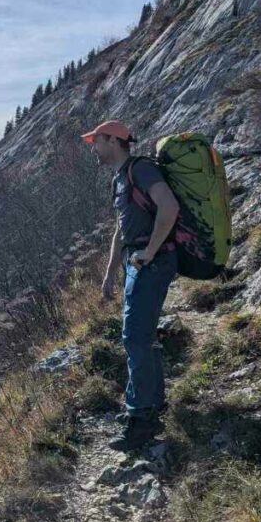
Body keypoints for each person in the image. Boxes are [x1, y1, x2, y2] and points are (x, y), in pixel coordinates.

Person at [81, 120, 180, 451]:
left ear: (113, 140)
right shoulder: (120, 179)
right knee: (143, 336)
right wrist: (110, 273)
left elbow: (169, 207)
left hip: (151, 262)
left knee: (134, 336)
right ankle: (153, 404)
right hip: (137, 263)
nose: (93, 147)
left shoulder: (142, 170)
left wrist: (150, 252)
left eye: (96, 141)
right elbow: (121, 230)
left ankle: (140, 420)